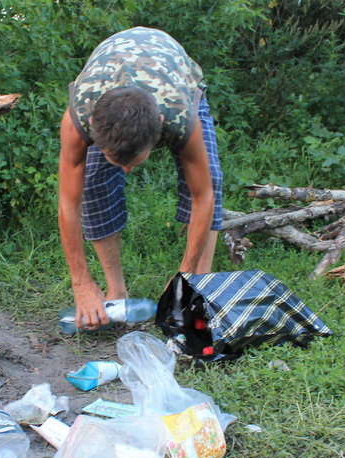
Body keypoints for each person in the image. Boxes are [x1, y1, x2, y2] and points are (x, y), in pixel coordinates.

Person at [58, 26, 223, 331]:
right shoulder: (81, 116)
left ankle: (196, 292)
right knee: (94, 183)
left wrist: (182, 278)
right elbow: (69, 203)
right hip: (106, 83)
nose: (127, 171)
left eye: (136, 161)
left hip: (173, 74)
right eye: (118, 160)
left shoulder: (178, 115)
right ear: (94, 126)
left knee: (209, 178)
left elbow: (204, 197)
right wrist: (81, 282)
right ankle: (115, 292)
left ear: (160, 127)